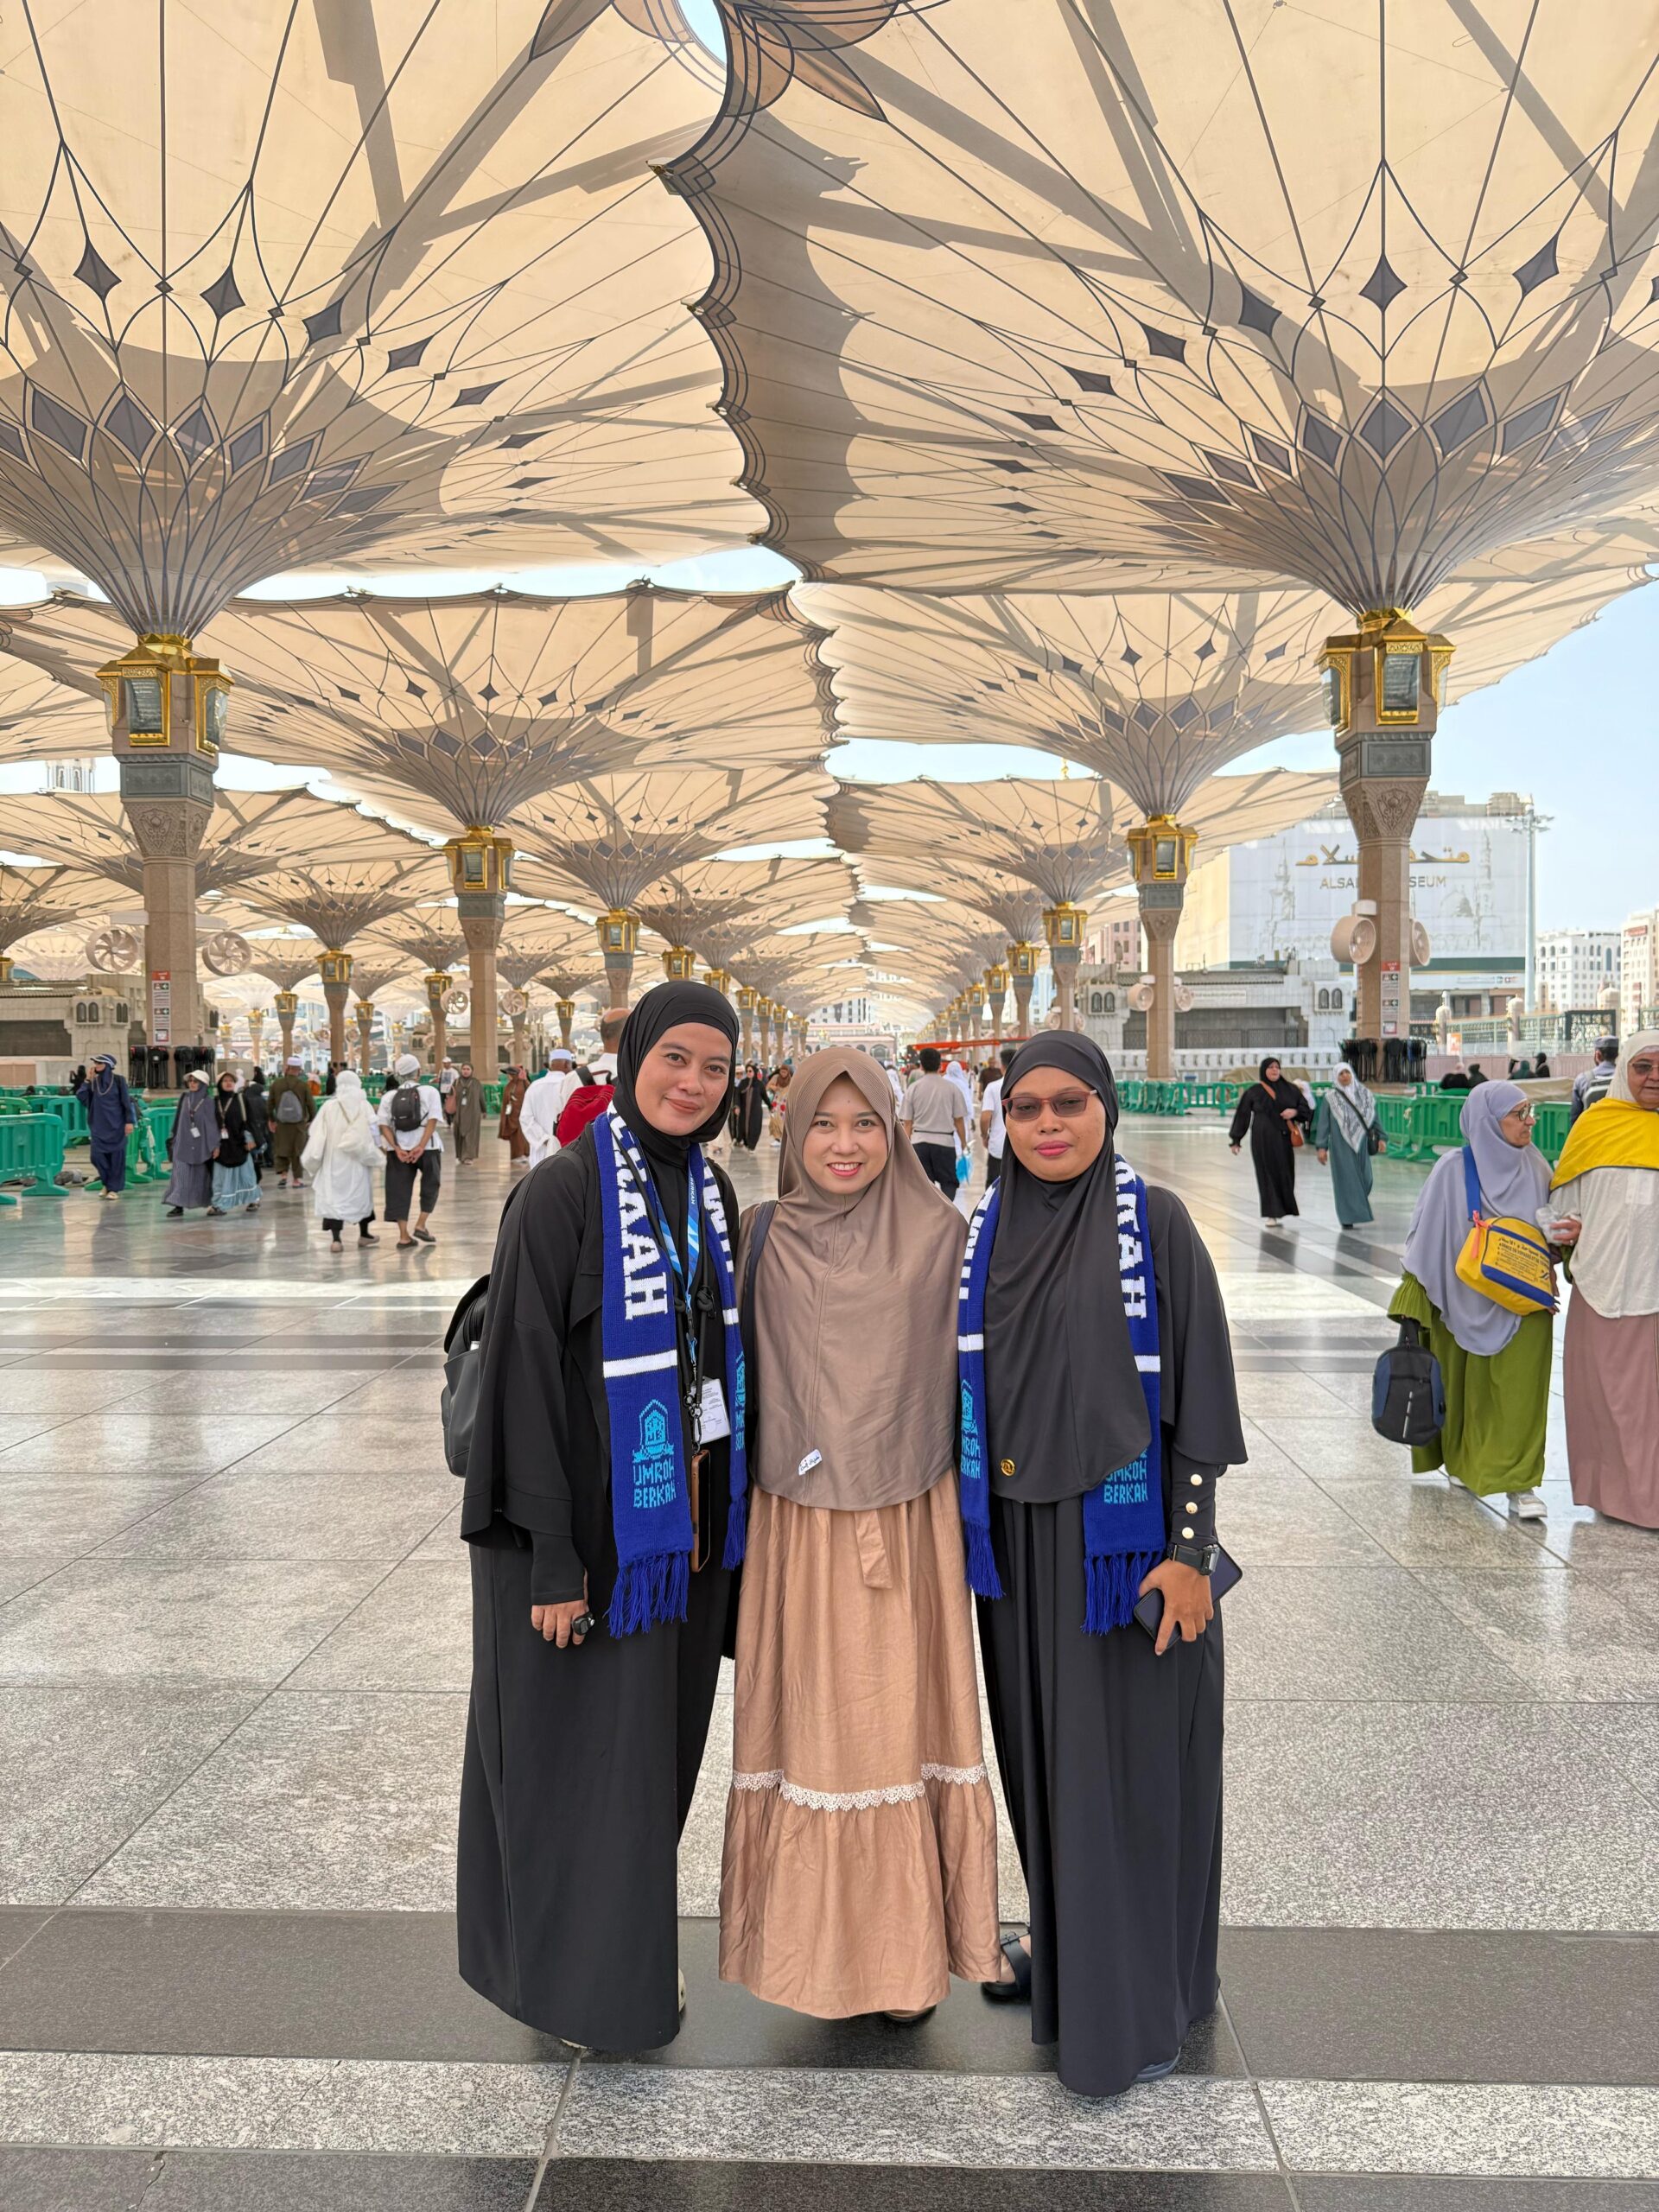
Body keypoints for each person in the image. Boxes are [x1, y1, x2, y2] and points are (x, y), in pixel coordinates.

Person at [457, 982, 747, 2050]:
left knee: (645, 1770)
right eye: (675, 1058)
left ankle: (621, 1961)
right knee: (570, 1771)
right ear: (632, 1060)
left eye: (714, 1068)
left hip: (673, 1545)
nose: (692, 1084)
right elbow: (522, 1381)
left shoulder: (709, 1190)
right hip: (579, 1542)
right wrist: (551, 1559)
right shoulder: (563, 1192)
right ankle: (570, 1987)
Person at [964, 1035, 1243, 2097]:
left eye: (1069, 1104)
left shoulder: (1155, 1223)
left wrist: (1188, 1552)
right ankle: (1072, 1953)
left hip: (1124, 1556)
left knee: (1131, 1778)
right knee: (1047, 1767)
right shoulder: (986, 1229)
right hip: (1020, 1556)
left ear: (1106, 1109)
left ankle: (1135, 2003)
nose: (1047, 1124)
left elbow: (1202, 1395)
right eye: (1026, 1107)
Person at [721, 1050, 1001, 2020]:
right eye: (824, 1126)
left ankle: (902, 1959)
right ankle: (808, 1953)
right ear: (792, 1131)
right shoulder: (762, 1231)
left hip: (906, 1519)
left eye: (865, 1125)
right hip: (796, 1526)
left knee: (896, 1724)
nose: (844, 1146)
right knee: (810, 1727)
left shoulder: (943, 1234)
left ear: (895, 1130)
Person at [1389, 1083, 1554, 1519]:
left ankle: (1520, 1483)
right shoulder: (1452, 1169)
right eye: (1519, 1114)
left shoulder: (1536, 1165)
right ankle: (1463, 1463)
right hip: (1460, 1298)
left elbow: (1550, 1225)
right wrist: (1413, 1300)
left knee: (1521, 1391)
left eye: (1530, 1111)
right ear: (1487, 1122)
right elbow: (1424, 1238)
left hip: (1524, 1302)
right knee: (1461, 1389)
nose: (1530, 1121)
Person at [1541, 1032, 1659, 1528]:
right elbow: (1565, 1203)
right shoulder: (1595, 1126)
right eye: (1643, 1067)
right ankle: (1613, 1495)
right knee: (1607, 1400)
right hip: (1602, 1283)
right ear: (1625, 1069)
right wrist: (1567, 1227)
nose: (1653, 1077)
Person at [302, 1068, 382, 1250]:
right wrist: (377, 1149)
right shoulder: (364, 1105)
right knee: (361, 1194)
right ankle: (364, 1234)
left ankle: (336, 1240)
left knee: (334, 1198)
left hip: (334, 1160)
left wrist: (315, 1157)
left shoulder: (329, 1106)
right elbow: (374, 1130)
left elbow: (317, 1133)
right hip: (358, 1160)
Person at [1228, 1057, 1312, 1224]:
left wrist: (1294, 1112)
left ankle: (1284, 1208)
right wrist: (1236, 1139)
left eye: (1277, 1067)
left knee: (1285, 1174)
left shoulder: (1291, 1090)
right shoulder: (1254, 1092)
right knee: (1266, 1174)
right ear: (1264, 1070)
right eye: (1271, 1067)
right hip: (1262, 1141)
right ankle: (1272, 1213)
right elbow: (1243, 1115)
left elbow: (1306, 1110)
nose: (1274, 1070)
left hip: (1284, 1140)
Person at [377, 1053, 443, 1249]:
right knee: (431, 1184)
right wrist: (421, 1146)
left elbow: (383, 1125)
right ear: (419, 1072)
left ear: (398, 1075)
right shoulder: (430, 1092)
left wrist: (397, 1148)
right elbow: (433, 1120)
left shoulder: (389, 1097)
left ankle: (403, 1236)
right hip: (428, 1147)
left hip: (399, 1151)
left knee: (398, 1189)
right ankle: (421, 1224)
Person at [1314, 1065, 1382, 1228]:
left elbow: (1374, 1118)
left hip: (1362, 1142)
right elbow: (1323, 1124)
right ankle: (1347, 1217)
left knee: (1366, 1179)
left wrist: (1382, 1138)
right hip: (1340, 1145)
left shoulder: (1364, 1095)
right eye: (1341, 1074)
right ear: (1336, 1077)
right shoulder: (1330, 1098)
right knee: (1346, 1180)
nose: (1345, 1076)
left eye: (1347, 1072)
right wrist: (1322, 1147)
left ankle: (1354, 1206)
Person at [899, 1046, 968, 1198]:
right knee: (949, 1183)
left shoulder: (913, 1089)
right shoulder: (952, 1089)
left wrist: (905, 1147)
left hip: (919, 1143)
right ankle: (946, 1209)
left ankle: (930, 1211)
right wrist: (963, 1143)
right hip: (945, 1143)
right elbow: (958, 1120)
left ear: (921, 1066)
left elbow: (907, 1123)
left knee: (923, 1186)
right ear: (940, 1065)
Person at [78, 1053, 135, 1201]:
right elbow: (81, 1096)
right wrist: (87, 1080)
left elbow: (126, 1102)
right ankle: (107, 1183)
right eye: (96, 1063)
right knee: (96, 1157)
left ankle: (113, 1189)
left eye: (100, 1063)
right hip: (98, 1125)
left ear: (108, 1065)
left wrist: (129, 1121)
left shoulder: (119, 1081)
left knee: (116, 1159)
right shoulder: (94, 1083)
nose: (96, 1066)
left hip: (117, 1125)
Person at [163, 1071, 218, 1217]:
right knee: (180, 1176)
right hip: (182, 1143)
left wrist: (214, 1145)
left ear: (203, 1084)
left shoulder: (208, 1102)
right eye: (190, 1081)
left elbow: (212, 1125)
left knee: (202, 1177)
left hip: (202, 1146)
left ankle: (213, 1203)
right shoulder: (185, 1098)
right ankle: (178, 1204)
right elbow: (178, 1119)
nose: (192, 1083)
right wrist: (174, 1136)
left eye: (196, 1081)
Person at [208, 1073, 261, 1217]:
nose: (228, 1083)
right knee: (220, 1177)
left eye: (231, 1081)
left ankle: (253, 1200)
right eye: (225, 1081)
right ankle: (219, 1204)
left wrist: (250, 1139)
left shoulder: (241, 1099)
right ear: (220, 1084)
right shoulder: (215, 1101)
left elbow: (249, 1119)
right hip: (222, 1145)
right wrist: (214, 1145)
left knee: (246, 1175)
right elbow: (211, 1124)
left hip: (240, 1143)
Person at [520, 1047, 575, 1167]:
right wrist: (556, 1142)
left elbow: (526, 1118)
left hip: (540, 1152)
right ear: (566, 1064)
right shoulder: (572, 1086)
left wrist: (544, 1139)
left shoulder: (534, 1087)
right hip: (567, 1151)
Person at [267, 1058, 314, 1187]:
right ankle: (296, 1180)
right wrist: (311, 1120)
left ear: (287, 1068)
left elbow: (269, 1104)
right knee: (297, 1150)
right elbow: (311, 1105)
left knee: (281, 1148)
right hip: (299, 1124)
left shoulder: (276, 1084)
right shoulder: (303, 1085)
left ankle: (283, 1176)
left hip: (281, 1123)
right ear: (299, 1070)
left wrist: (272, 1120)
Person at [979, 1043, 1016, 1188]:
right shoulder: (1028, 1086)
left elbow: (985, 1117)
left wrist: (984, 1136)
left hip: (998, 1146)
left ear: (1002, 1066)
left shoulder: (993, 1087)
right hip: (1023, 1147)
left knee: (995, 1187)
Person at [1571, 1036, 1619, 1123]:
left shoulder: (1582, 1079)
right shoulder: (1626, 1078)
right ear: (1617, 1055)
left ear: (1597, 1055)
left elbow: (1575, 1117)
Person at [452, 1062, 484, 1165]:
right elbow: (450, 1097)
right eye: (464, 1069)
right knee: (459, 1133)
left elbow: (481, 1097)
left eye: (468, 1069)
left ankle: (468, 1156)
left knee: (471, 1135)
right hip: (459, 1113)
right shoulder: (456, 1082)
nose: (465, 1071)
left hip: (473, 1113)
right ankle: (461, 1155)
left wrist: (484, 1110)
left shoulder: (476, 1083)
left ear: (472, 1071)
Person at [733, 1063, 769, 1151]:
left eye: (750, 1071)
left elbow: (765, 1097)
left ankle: (752, 1146)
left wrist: (770, 1106)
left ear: (754, 1072)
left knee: (754, 1128)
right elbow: (737, 1095)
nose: (748, 1073)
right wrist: (737, 1106)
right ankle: (745, 1142)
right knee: (743, 1127)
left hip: (755, 1112)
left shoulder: (759, 1084)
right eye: (747, 1071)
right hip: (744, 1112)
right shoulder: (743, 1083)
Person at [243, 1068, 271, 1177]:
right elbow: (267, 1112)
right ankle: (268, 1160)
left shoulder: (245, 1099)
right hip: (262, 1125)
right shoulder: (262, 1100)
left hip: (252, 1127)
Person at [499, 1065, 531, 1162]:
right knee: (514, 1137)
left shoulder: (524, 1084)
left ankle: (523, 1153)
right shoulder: (510, 1085)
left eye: (509, 1074)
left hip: (521, 1115)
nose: (508, 1076)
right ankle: (516, 1155)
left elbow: (529, 1095)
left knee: (521, 1136)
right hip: (511, 1116)